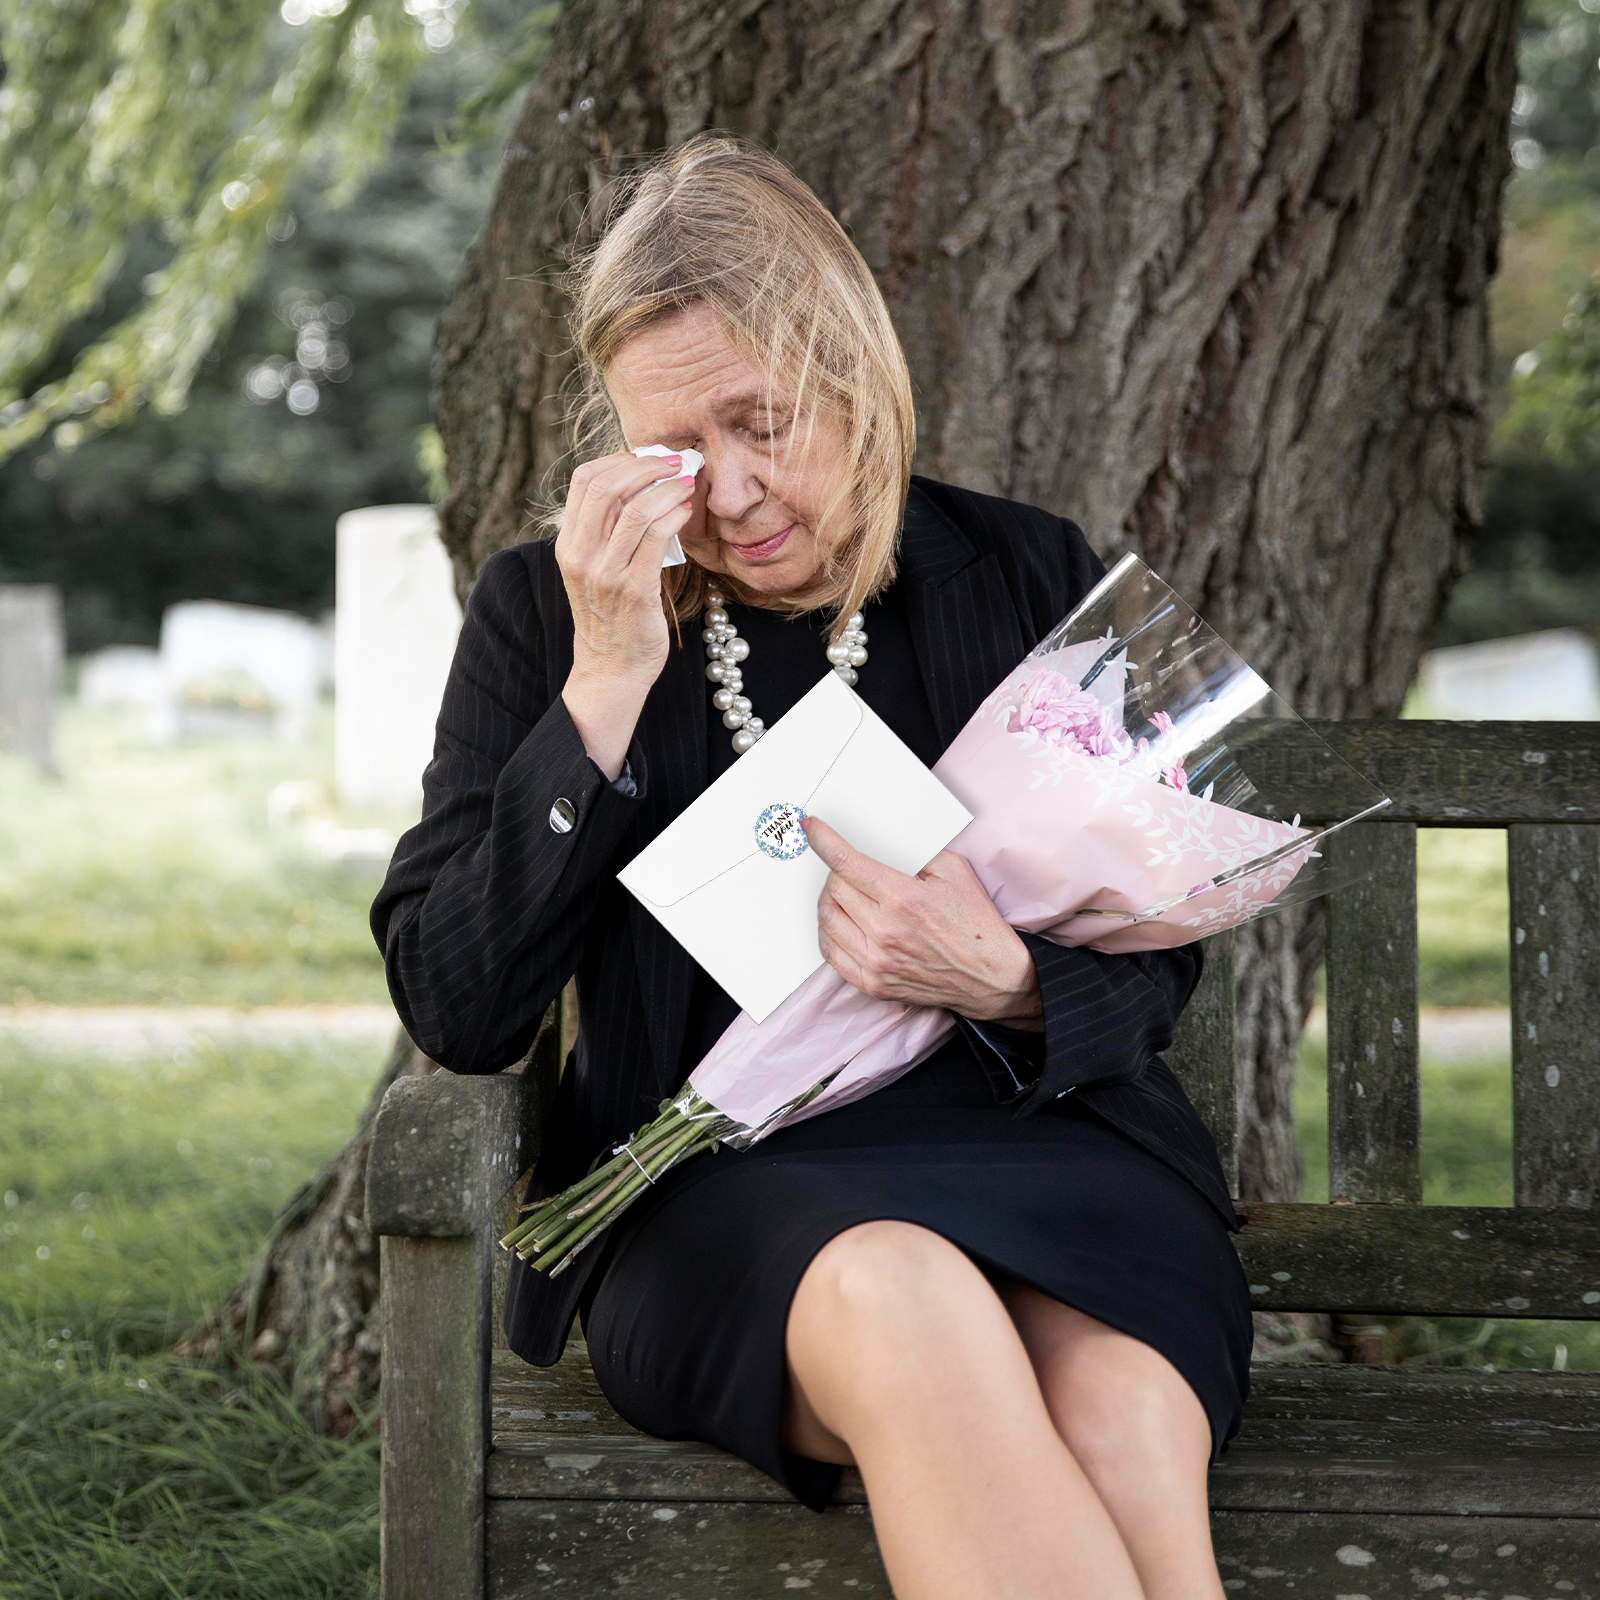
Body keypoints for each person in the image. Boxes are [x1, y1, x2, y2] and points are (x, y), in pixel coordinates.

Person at [371, 131, 1253, 1600]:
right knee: (907, 1300)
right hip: (724, 1186)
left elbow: (1161, 958)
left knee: (1120, 1411)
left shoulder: (1023, 573)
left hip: (1053, 1155)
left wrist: (1009, 980)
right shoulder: (552, 613)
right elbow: (458, 1008)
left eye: (761, 423)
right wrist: (604, 685)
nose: (725, 492)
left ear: (856, 372)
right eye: (675, 450)